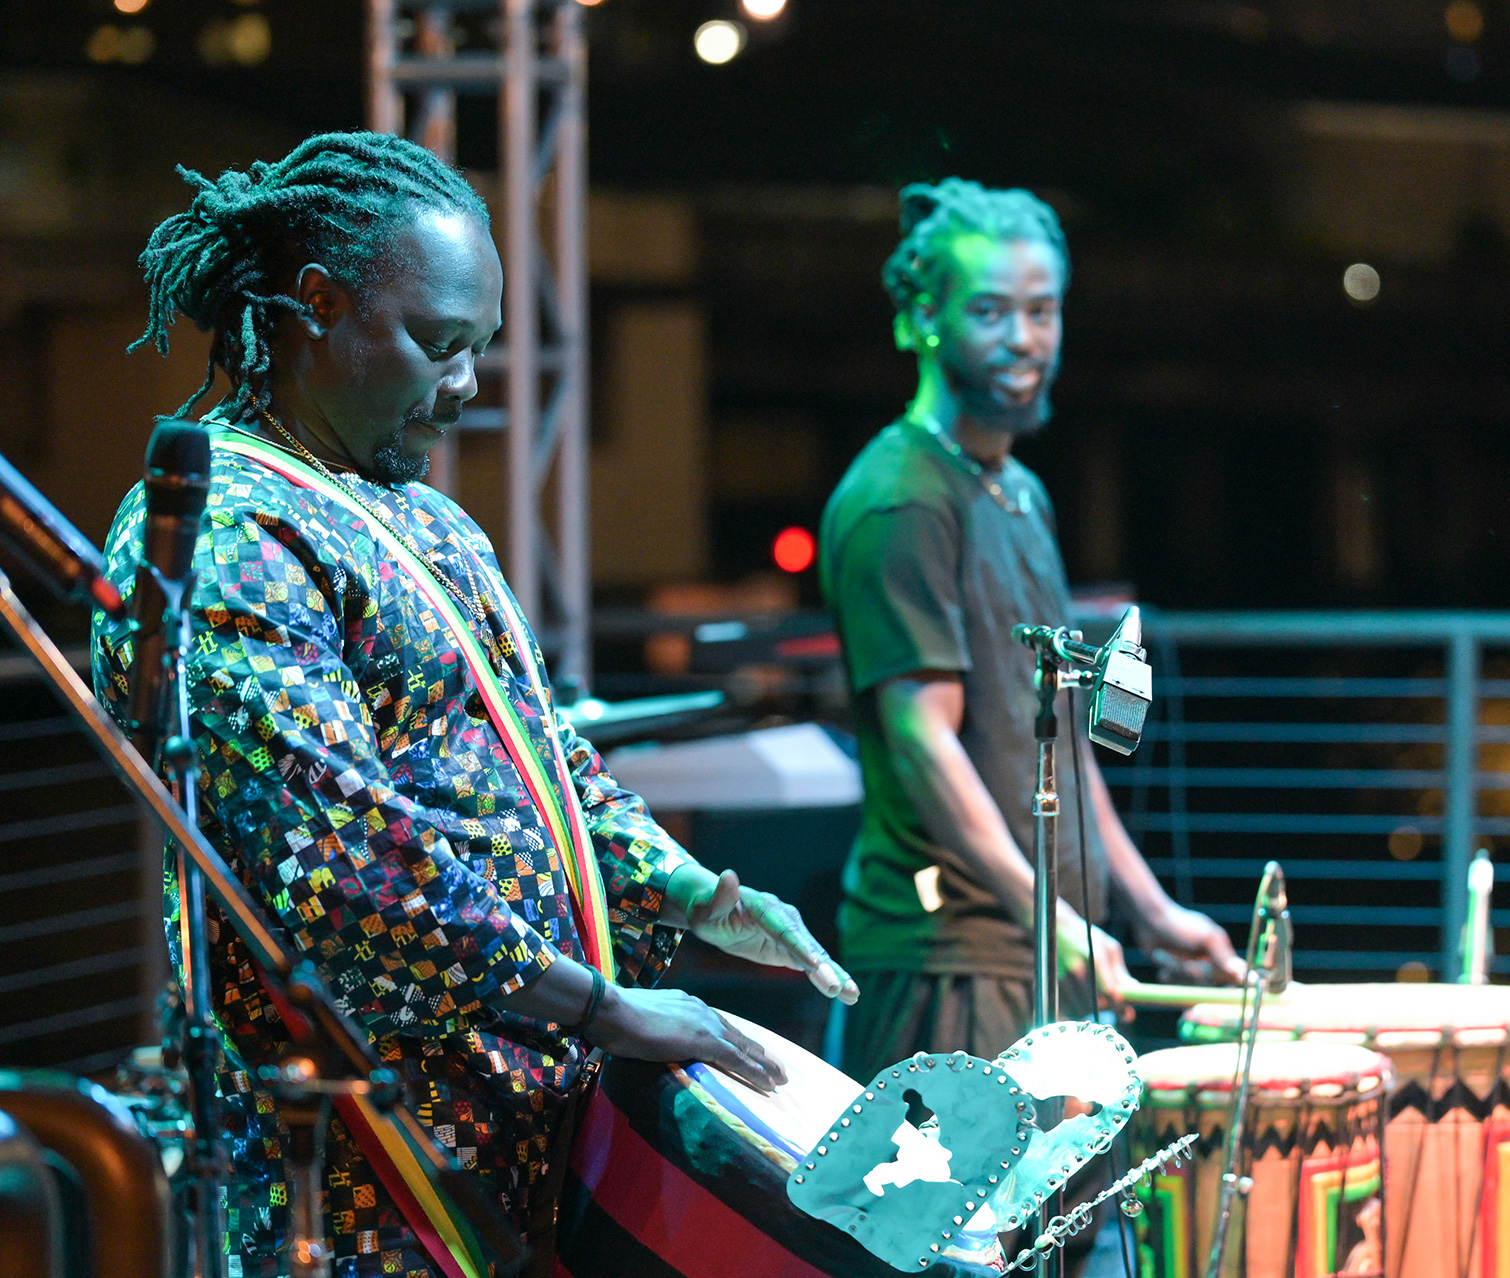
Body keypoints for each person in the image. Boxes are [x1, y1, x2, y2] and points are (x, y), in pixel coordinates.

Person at [93, 132, 857, 1278]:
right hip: (366, 1157)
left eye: (480, 350)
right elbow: (345, 867)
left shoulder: (425, 519)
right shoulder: (232, 529)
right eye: (438, 345)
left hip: (515, 1125)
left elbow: (551, 769)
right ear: (316, 304)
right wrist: (608, 1009)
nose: (465, 388)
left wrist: (697, 892)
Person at [819, 178, 1242, 1084]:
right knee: (952, 1228)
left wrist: (1150, 909)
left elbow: (1065, 744)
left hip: (1047, 945)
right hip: (952, 956)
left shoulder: (1022, 493)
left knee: (1062, 1228)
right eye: (992, 311)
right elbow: (920, 738)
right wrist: (1054, 922)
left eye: (1043, 311)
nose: (1024, 340)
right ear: (921, 318)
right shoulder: (903, 498)